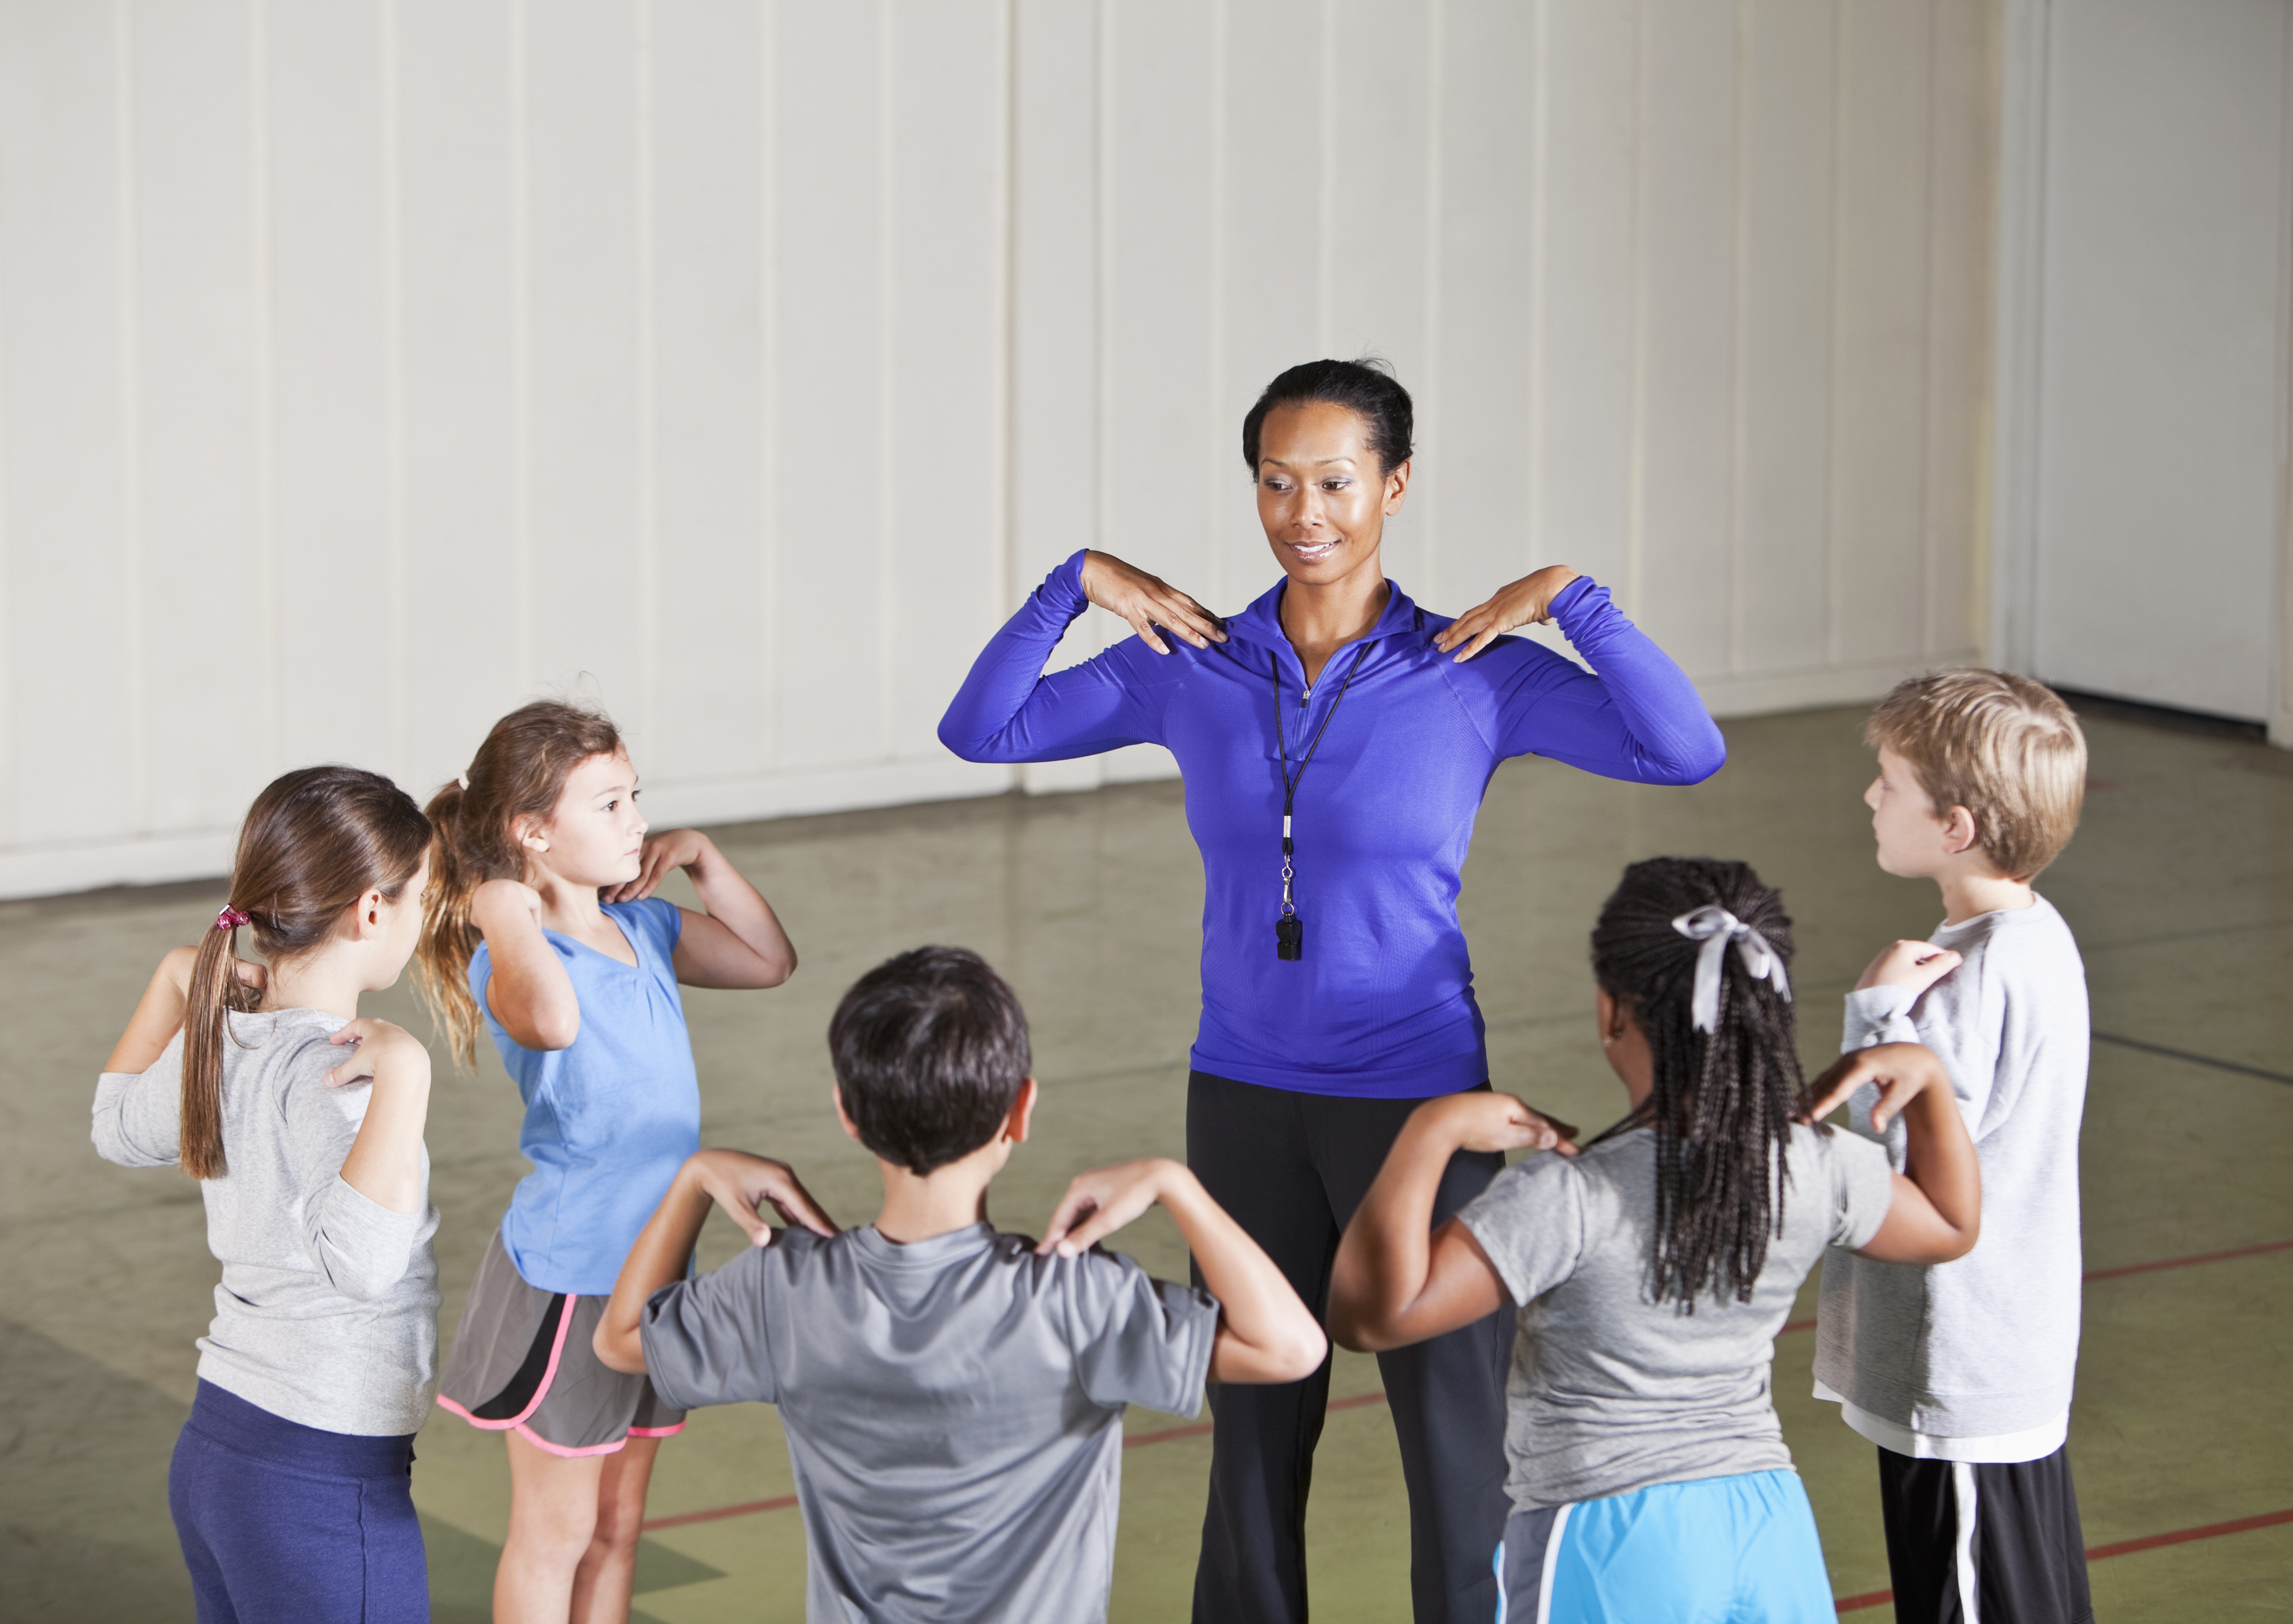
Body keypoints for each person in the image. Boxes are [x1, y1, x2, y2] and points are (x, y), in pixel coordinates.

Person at [938, 356, 1727, 1622]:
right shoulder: (1189, 661)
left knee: (1459, 1450)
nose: (1305, 511)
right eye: (1276, 480)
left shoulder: (1470, 670)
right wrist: (1075, 586)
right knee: (1252, 1441)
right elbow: (986, 729)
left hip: (1416, 1101)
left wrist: (1571, 600)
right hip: (1242, 1094)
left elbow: (1683, 747)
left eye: (1336, 481)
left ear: (1395, 485)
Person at [1328, 857, 1983, 1624]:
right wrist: (1930, 1082)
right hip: (1766, 1522)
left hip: (1609, 1532)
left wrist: (1428, 1132)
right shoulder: (1813, 1164)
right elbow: (1949, 1222)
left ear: (1613, 1012)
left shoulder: (1569, 1196)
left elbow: (1370, 1316)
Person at [591, 945, 1330, 1624]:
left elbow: (621, 1340)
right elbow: (1291, 1348)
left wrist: (691, 1181)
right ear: (1021, 1109)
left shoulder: (781, 1287)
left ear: (848, 1112)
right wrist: (1178, 1185)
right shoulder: (1074, 1301)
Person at [417, 699, 798, 1624]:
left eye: (637, 798)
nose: (637, 824)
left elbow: (768, 960)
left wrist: (704, 857)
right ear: (534, 833)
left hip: (660, 1268)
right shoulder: (511, 960)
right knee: (558, 1532)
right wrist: (504, 906)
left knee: (621, 1528)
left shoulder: (653, 931)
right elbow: (550, 1021)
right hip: (573, 1278)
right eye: (610, 806)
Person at [92, 766, 443, 1624]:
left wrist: (178, 980)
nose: (426, 916)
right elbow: (361, 1266)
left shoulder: (225, 1039)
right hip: (319, 1488)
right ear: (370, 909)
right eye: (421, 897)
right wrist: (408, 1077)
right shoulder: (346, 1071)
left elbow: (115, 1126)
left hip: (222, 1459)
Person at [1817, 672, 2096, 1624]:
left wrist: (1877, 1012)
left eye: (1889, 782)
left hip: (1961, 1372)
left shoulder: (1965, 980)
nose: (1870, 797)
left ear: (1957, 827)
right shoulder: (2036, 937)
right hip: (2004, 1356)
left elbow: (1898, 1172)